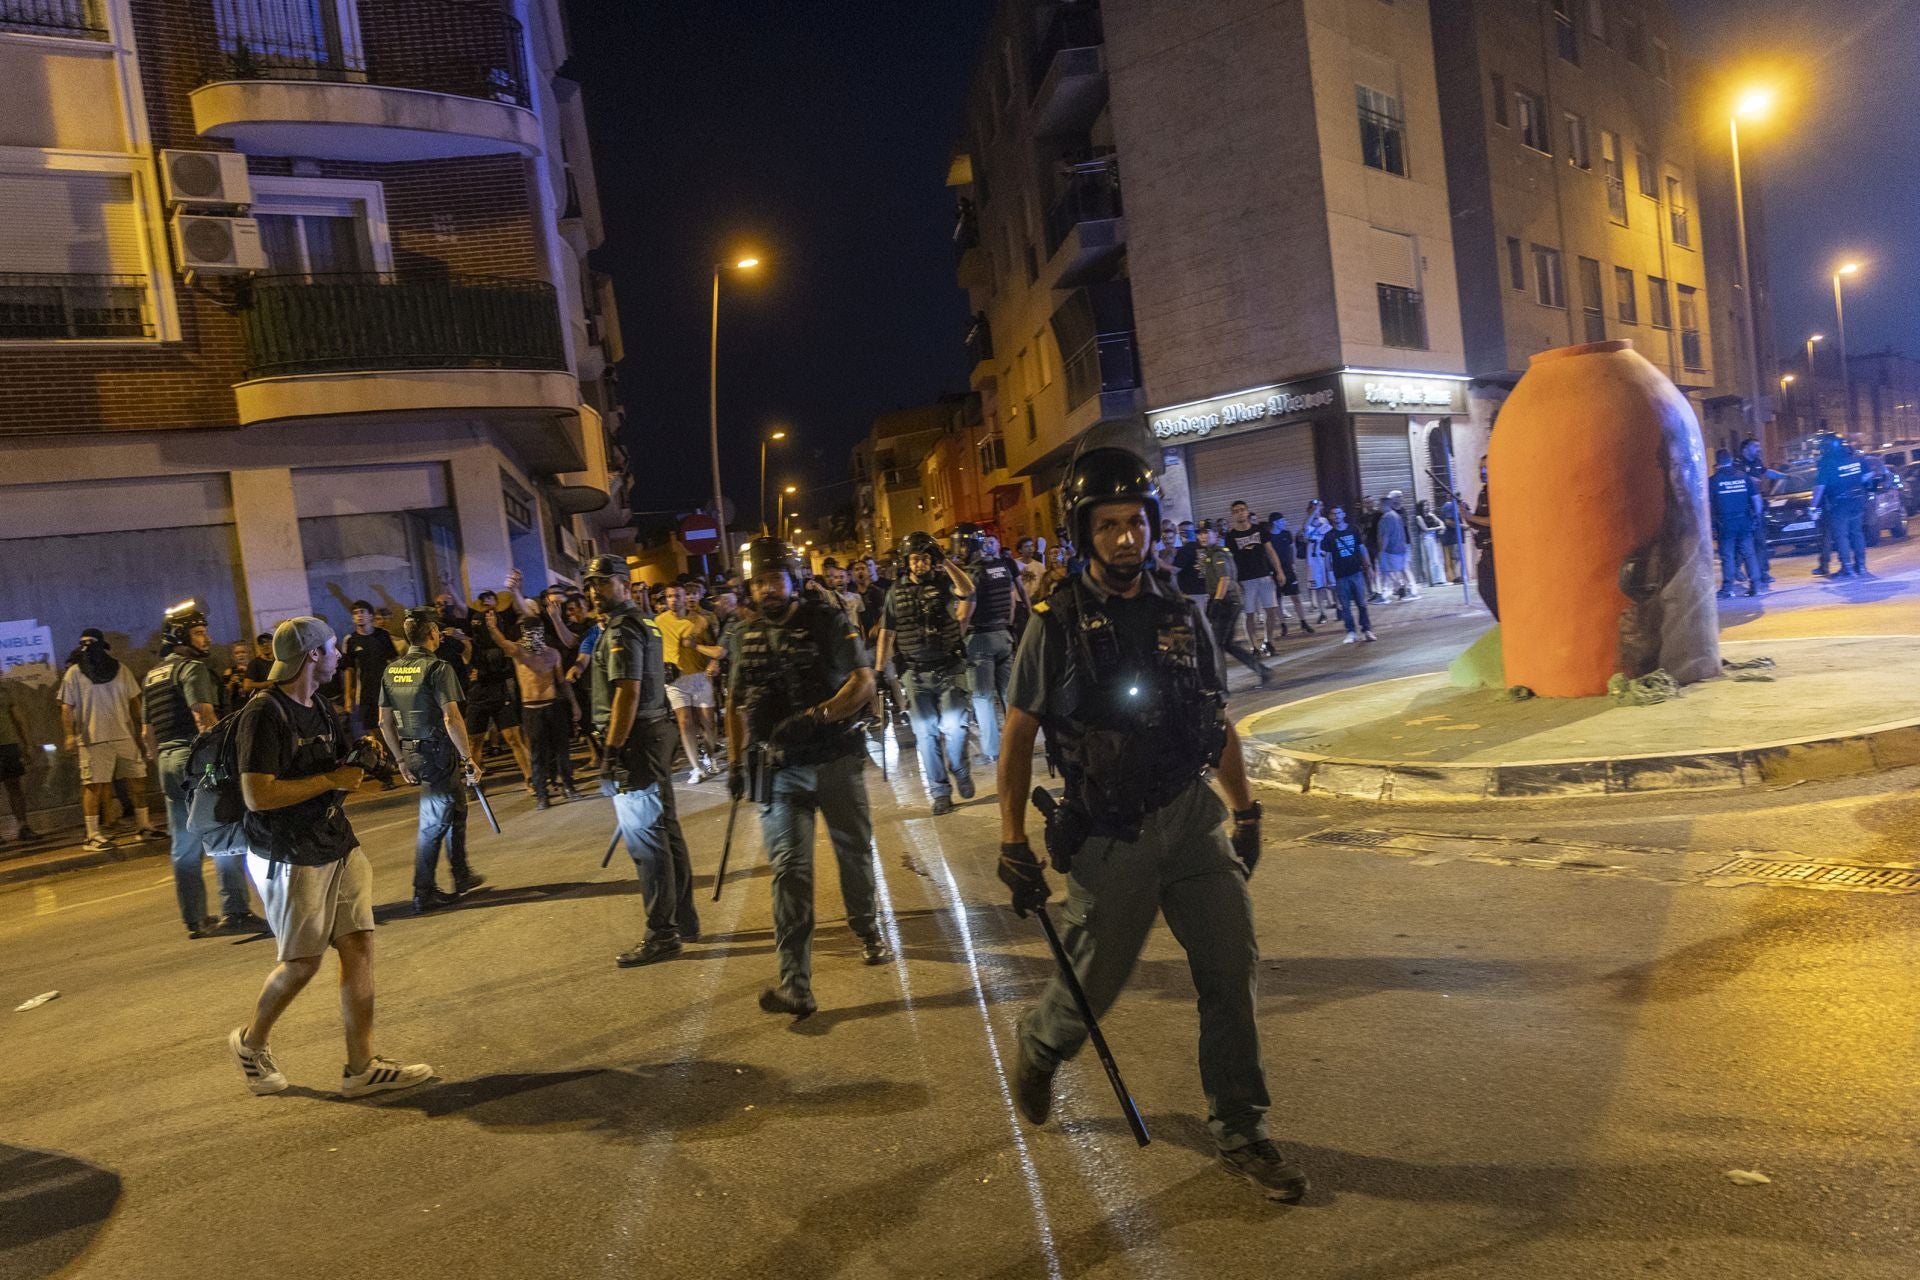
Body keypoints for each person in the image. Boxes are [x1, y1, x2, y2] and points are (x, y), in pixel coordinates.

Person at [994, 445, 1307, 1202]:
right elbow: (1018, 733)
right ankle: (1041, 1045)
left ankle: (1241, 1126)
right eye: (1107, 527)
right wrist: (1011, 842)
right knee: (1095, 984)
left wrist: (1247, 809)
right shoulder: (1055, 621)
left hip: (1191, 817)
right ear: (1083, 534)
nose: (1125, 538)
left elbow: (1214, 720)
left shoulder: (1179, 612)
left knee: (1231, 970)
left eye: (1135, 523)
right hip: (1110, 832)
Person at [226, 616, 430, 1099]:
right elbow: (258, 794)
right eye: (334, 647)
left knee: (358, 945)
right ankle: (251, 1044)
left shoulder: (318, 703)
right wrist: (331, 781)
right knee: (302, 963)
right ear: (313, 655)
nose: (341, 655)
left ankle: (361, 1067)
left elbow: (336, 765)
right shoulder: (263, 713)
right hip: (289, 855)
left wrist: (363, 756)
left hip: (336, 842)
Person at [726, 536, 890, 1017]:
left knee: (853, 852)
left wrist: (818, 716)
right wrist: (736, 762)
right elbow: (734, 704)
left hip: (835, 759)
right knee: (789, 872)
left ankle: (866, 927)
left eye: (774, 579)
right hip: (779, 772)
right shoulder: (740, 636)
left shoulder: (826, 620)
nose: (766, 589)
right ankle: (795, 983)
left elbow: (863, 682)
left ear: (792, 579)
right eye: (758, 581)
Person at [583, 555, 701, 967]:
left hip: (635, 743)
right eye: (590, 585)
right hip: (653, 735)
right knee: (666, 832)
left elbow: (627, 693)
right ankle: (684, 919)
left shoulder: (623, 628)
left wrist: (611, 752)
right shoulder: (644, 623)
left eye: (601, 583)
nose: (593, 592)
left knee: (647, 844)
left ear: (622, 583)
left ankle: (662, 934)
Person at [144, 604, 255, 938]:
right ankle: (235, 911)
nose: (206, 638)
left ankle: (195, 918)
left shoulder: (152, 676)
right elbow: (203, 717)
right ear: (180, 637)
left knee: (184, 844)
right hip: (194, 760)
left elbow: (146, 734)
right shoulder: (191, 670)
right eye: (198, 632)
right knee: (223, 832)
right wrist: (220, 759)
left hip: (165, 762)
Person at [379, 608, 487, 915]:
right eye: (438, 632)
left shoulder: (391, 670)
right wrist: (469, 758)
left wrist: (399, 760)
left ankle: (461, 873)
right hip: (438, 751)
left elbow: (384, 721)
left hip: (412, 751)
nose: (440, 636)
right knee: (433, 823)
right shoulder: (437, 668)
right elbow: (451, 717)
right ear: (432, 635)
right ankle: (422, 892)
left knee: (456, 808)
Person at [877, 530, 977, 815]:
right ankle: (940, 792)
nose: (919, 564)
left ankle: (959, 768)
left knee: (955, 728)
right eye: (914, 559)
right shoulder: (894, 592)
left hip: (949, 667)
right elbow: (887, 633)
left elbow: (968, 590)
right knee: (925, 733)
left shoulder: (946, 582)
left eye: (924, 558)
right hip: (915, 673)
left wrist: (945, 562)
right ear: (906, 561)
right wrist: (879, 671)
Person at [58, 629, 157, 852]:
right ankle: (92, 834)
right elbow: (66, 707)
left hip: (123, 735)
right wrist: (69, 734)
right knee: (93, 786)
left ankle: (144, 826)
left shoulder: (120, 669)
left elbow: (135, 700)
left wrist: (143, 726)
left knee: (138, 780)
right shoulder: (74, 673)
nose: (88, 651)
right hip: (93, 739)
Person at [481, 606, 577, 808]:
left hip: (553, 705)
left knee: (561, 750)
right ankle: (542, 794)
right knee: (537, 753)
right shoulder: (519, 651)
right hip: (532, 709)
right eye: (528, 633)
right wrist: (492, 627)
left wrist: (574, 704)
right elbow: (502, 642)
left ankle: (568, 785)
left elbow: (562, 682)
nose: (533, 637)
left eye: (537, 632)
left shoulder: (552, 654)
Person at [957, 529, 1027, 766]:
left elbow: (966, 613)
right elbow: (1012, 603)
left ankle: (992, 750)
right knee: (1009, 693)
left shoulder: (971, 574)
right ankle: (1018, 744)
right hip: (1003, 635)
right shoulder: (1002, 567)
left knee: (983, 697)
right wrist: (1007, 627)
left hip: (980, 639)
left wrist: (959, 639)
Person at [657, 584, 727, 784]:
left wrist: (714, 664)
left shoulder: (700, 621)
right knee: (684, 722)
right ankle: (696, 767)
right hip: (674, 679)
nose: (673, 600)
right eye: (669, 596)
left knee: (708, 722)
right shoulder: (659, 622)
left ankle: (710, 756)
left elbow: (715, 647)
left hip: (699, 676)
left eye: (676, 595)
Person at [466, 590, 532, 788]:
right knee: (474, 743)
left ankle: (531, 779)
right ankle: (474, 784)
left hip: (500, 695)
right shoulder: (471, 645)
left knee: (514, 739)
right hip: (477, 698)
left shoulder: (506, 643)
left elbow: (508, 669)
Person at [1197, 524, 1272, 685]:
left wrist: (1216, 601)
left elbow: (1224, 579)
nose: (1202, 537)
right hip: (1227, 601)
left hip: (1226, 603)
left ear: (1215, 536)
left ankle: (1221, 685)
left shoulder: (1218, 555)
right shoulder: (1211, 553)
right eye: (1200, 534)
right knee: (1228, 644)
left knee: (1217, 644)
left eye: (1206, 533)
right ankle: (1261, 670)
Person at [852, 557, 911, 740]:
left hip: (880, 643)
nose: (860, 571)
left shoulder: (876, 592)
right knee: (869, 681)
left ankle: (903, 709)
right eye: (857, 569)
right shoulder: (853, 595)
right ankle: (877, 714)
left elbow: (885, 615)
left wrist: (877, 629)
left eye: (863, 568)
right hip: (864, 646)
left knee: (891, 677)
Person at [1223, 500, 1290, 653]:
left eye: (1242, 509)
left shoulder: (1259, 530)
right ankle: (1253, 646)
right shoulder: (1230, 536)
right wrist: (1234, 581)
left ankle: (1268, 641)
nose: (1240, 512)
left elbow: (1270, 551)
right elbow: (1230, 560)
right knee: (1249, 614)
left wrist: (1279, 570)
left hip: (1264, 575)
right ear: (1233, 515)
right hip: (1245, 579)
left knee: (1271, 610)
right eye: (1236, 511)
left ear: (1247, 511)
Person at [1812, 433, 1871, 580]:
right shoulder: (1857, 459)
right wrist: (1855, 482)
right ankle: (1861, 566)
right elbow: (1868, 476)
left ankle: (1847, 567)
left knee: (1841, 536)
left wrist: (1812, 507)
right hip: (1857, 501)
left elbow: (1819, 488)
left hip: (1839, 504)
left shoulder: (1827, 463)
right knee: (1857, 533)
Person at [340, 601, 399, 742]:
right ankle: (386, 760)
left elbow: (394, 662)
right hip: (366, 693)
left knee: (394, 726)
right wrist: (348, 697)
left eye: (362, 612)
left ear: (371, 616)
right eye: (355, 613)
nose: (359, 616)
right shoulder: (350, 640)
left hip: (387, 690)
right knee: (374, 729)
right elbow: (349, 670)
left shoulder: (383, 635)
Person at [1709, 448, 1763, 599]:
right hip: (1744, 521)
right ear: (1731, 460)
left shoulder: (1713, 481)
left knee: (1727, 556)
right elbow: (1756, 499)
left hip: (1725, 524)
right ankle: (1755, 585)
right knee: (1749, 553)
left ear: (1717, 463)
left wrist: (1709, 525)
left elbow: (1707, 504)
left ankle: (1727, 589)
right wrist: (1757, 517)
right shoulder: (1744, 477)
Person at [1321, 505, 1377, 643]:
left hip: (1356, 572)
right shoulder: (1329, 536)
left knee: (1362, 603)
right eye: (1334, 514)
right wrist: (1328, 575)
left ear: (1344, 514)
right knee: (1345, 606)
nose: (1337, 516)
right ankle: (1351, 632)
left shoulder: (1353, 529)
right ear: (1330, 517)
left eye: (1339, 513)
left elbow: (1362, 549)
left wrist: (1368, 567)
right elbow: (1327, 557)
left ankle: (1366, 630)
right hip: (1340, 575)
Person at [1738, 437, 1785, 585]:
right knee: (1744, 544)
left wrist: (1784, 476)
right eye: (1755, 446)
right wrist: (1752, 480)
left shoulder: (1757, 462)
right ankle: (1736, 569)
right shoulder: (1737, 465)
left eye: (1759, 446)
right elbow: (1746, 480)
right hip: (1744, 510)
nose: (1759, 449)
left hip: (1757, 509)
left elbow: (1766, 472)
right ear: (1745, 450)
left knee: (1761, 542)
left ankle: (1764, 573)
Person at [0, 677, 35, 845]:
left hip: (8, 744)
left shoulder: (4, 691)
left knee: (14, 785)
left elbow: (17, 718)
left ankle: (23, 826)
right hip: (8, 745)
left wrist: (26, 743)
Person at [1467, 459, 1498, 618]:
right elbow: (1479, 523)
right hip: (1486, 549)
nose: (1483, 472)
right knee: (1485, 588)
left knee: (1489, 588)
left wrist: (1471, 516)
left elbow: (1495, 520)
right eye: (1480, 468)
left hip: (1496, 550)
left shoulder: (1497, 490)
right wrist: (1466, 517)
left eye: (1486, 467)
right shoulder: (1484, 492)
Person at [1376, 492, 1419, 600]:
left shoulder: (1386, 517)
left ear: (1384, 505)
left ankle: (1402, 589)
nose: (1378, 507)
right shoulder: (1396, 516)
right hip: (1400, 548)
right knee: (1394, 570)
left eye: (1379, 505)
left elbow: (1386, 536)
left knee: (1390, 570)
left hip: (1391, 549)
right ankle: (1395, 590)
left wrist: (1382, 551)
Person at [1302, 500, 1335, 621]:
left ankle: (1339, 607)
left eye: (1318, 507)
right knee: (1318, 586)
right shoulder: (1307, 524)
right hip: (1314, 560)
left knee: (1332, 584)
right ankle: (1322, 612)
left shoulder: (1324, 521)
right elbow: (1306, 529)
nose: (1316, 509)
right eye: (1313, 507)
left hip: (1325, 556)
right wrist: (1313, 513)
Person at [1414, 498, 1448, 587]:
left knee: (1439, 559)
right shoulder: (1419, 517)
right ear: (1420, 507)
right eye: (1424, 505)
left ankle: (1441, 579)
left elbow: (1441, 523)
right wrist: (1438, 528)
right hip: (1427, 538)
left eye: (1427, 505)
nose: (1426, 507)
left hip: (1434, 537)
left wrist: (1442, 528)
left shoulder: (1431, 515)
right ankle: (1435, 581)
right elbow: (1425, 529)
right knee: (1433, 559)